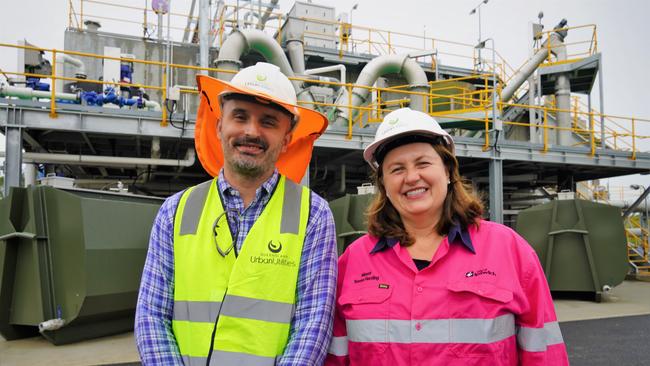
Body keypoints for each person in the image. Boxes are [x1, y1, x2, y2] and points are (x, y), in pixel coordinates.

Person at [325, 108, 569, 365]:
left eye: (423, 163)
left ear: (449, 173)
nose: (411, 177)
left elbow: (544, 352)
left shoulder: (509, 250)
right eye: (396, 169)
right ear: (384, 184)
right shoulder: (354, 261)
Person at [135, 62, 338, 365]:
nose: (251, 132)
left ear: (286, 138)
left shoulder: (314, 216)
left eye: (269, 122)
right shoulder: (175, 212)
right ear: (219, 126)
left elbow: (313, 326)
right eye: (239, 116)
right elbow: (151, 318)